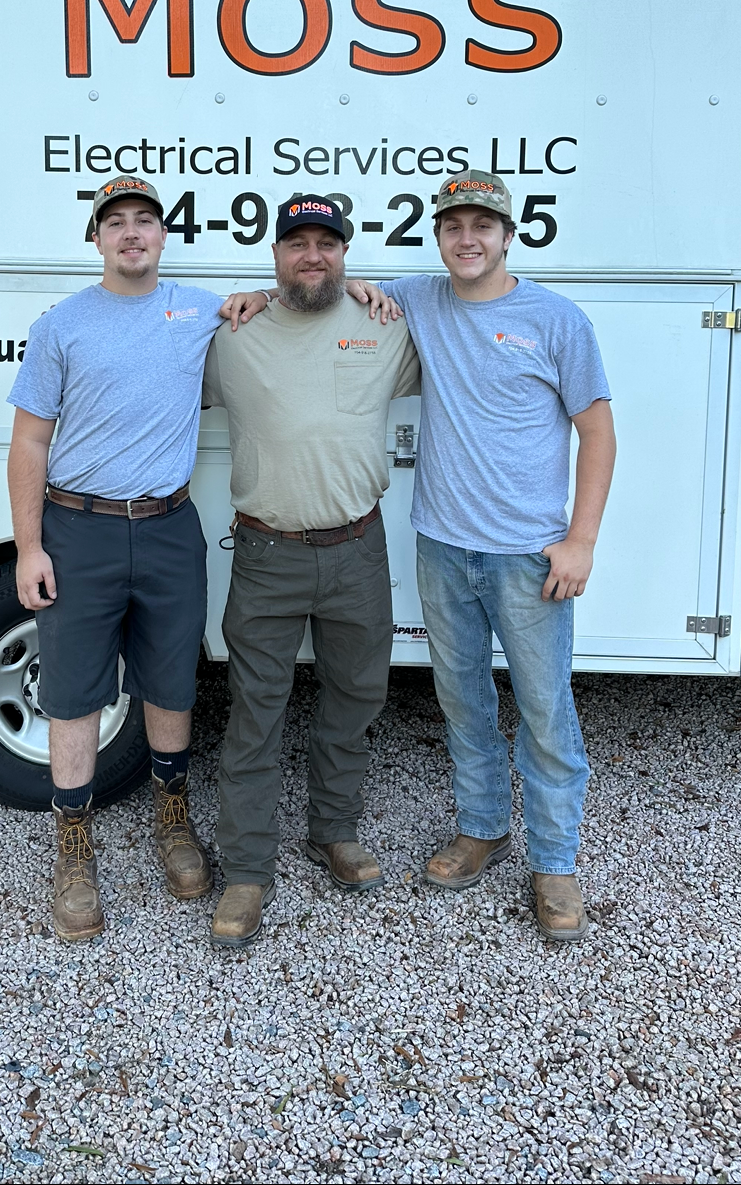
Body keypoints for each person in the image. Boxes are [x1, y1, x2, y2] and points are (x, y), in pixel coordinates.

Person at [7, 177, 395, 944]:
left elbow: (286, 299)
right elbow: (28, 440)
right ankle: (74, 851)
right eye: (114, 222)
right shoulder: (62, 324)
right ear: (95, 239)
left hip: (167, 524)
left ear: (161, 236)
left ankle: (174, 819)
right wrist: (27, 546)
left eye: (143, 221)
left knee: (170, 679)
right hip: (78, 525)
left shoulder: (202, 312)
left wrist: (346, 286)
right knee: (76, 692)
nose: (130, 234)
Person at [365, 171, 615, 942]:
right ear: (435, 236)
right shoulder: (421, 299)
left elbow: (597, 431)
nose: (465, 239)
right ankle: (481, 828)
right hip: (442, 545)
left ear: (509, 234)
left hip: (527, 559)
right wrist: (248, 301)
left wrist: (579, 540)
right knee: (463, 702)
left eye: (481, 225)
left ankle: (554, 861)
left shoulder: (555, 318)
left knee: (545, 714)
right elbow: (327, 284)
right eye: (451, 227)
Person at [202, 195, 421, 949]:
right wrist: (250, 300)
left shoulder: (384, 324)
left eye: (325, 242)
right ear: (274, 255)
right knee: (254, 713)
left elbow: (461, 330)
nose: (312, 255)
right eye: (296, 243)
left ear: (344, 253)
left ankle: (334, 832)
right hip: (266, 554)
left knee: (356, 697)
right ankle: (245, 870)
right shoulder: (232, 331)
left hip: (358, 548)